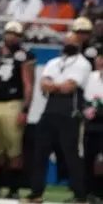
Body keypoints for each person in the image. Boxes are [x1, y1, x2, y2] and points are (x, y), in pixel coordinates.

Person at [24, 32, 90, 204]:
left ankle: (80, 195)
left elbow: (70, 87)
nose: (69, 43)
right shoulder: (54, 62)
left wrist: (54, 85)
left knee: (71, 155)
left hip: (70, 113)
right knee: (40, 154)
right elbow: (43, 84)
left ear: (79, 44)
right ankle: (36, 193)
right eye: (67, 41)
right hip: (49, 112)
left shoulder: (83, 63)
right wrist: (58, 85)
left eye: (73, 41)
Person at [0, 21, 35, 197]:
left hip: (12, 103)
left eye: (16, 34)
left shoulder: (24, 56)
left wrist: (25, 109)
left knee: (14, 149)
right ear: (4, 34)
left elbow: (28, 84)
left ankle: (13, 189)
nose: (11, 36)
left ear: (20, 37)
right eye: (9, 33)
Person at [83, 50, 103, 201]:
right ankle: (88, 193)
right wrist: (87, 109)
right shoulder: (90, 77)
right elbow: (84, 98)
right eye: (99, 58)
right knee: (88, 158)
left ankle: (98, 192)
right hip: (90, 125)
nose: (101, 61)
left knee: (101, 161)